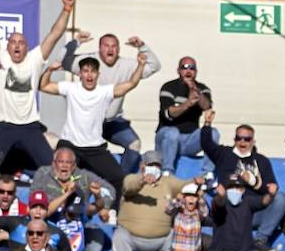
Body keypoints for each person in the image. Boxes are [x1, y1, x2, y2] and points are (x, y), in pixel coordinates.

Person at [0, 0, 75, 171]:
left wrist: (66, 9)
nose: (17, 46)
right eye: (13, 42)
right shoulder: (0, 57)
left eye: (21, 43)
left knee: (52, 169)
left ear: (27, 46)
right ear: (7, 46)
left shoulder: (35, 59)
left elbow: (55, 34)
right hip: (2, 126)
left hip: (29, 127)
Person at [38, 52, 148, 190]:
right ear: (80, 75)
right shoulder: (71, 88)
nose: (89, 75)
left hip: (95, 147)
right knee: (58, 177)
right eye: (85, 71)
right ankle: (58, 209)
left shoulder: (104, 91)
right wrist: (50, 70)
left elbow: (131, 84)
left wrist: (141, 65)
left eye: (93, 71)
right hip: (70, 144)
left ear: (98, 74)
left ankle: (113, 211)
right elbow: (44, 86)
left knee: (118, 178)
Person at [60, 31, 161, 175]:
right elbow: (60, 60)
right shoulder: (89, 61)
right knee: (76, 152)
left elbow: (155, 66)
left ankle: (121, 180)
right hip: (88, 122)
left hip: (113, 121)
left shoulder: (127, 65)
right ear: (99, 48)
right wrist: (76, 42)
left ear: (118, 49)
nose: (110, 49)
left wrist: (142, 46)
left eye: (114, 46)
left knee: (135, 144)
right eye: (106, 46)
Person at [200, 115, 285, 249]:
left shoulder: (262, 161)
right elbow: (206, 144)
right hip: (228, 211)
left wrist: (253, 182)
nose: (242, 142)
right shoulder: (224, 153)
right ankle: (213, 223)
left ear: (253, 141)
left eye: (247, 139)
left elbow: (270, 190)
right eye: (239, 138)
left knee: (280, 198)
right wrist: (207, 123)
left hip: (252, 212)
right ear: (234, 140)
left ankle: (260, 240)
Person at [113, 150, 188, 251]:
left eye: (157, 165)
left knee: (177, 234)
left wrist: (197, 181)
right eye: (150, 165)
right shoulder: (131, 178)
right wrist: (142, 179)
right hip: (132, 237)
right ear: (142, 166)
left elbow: (185, 185)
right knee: (119, 235)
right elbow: (129, 187)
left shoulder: (168, 181)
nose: (153, 168)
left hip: (162, 240)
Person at [207, 172, 274, 251]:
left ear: (243, 190)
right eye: (231, 187)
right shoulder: (219, 203)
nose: (234, 190)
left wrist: (271, 194)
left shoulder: (247, 202)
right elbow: (218, 203)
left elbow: (264, 202)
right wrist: (221, 196)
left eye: (237, 187)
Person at [155, 55, 214, 173]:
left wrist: (196, 91)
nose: (188, 71)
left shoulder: (203, 89)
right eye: (184, 67)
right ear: (178, 70)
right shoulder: (169, 87)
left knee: (212, 133)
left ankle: (207, 174)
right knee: (172, 132)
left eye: (192, 68)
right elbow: (168, 114)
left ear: (196, 72)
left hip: (189, 140)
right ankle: (167, 171)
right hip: (166, 139)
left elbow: (207, 107)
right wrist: (187, 104)